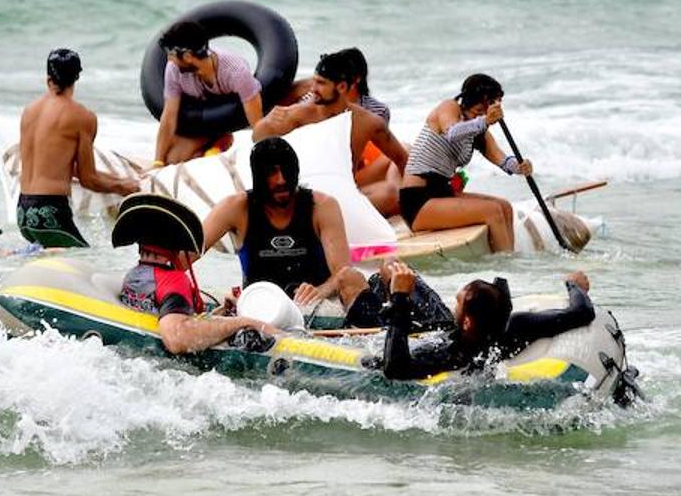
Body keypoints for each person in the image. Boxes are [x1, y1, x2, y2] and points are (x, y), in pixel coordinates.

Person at [202, 137, 378, 325]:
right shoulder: (235, 208)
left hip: (314, 306)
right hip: (262, 307)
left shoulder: (322, 206)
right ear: (258, 177)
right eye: (272, 173)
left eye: (287, 171)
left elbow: (342, 272)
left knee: (352, 277)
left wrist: (321, 290)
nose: (281, 180)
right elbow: (188, 253)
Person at [116, 194, 279, 354]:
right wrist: (242, 322)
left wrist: (222, 312)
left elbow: (172, 313)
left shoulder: (134, 276)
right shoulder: (173, 281)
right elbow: (176, 339)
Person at [379, 261, 596, 381]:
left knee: (385, 267)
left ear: (467, 322)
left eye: (458, 303)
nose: (455, 306)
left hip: (433, 328)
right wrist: (574, 285)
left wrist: (400, 299)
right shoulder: (516, 327)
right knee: (391, 267)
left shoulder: (451, 355)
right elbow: (582, 312)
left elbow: (394, 369)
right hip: (447, 328)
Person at [254, 50, 408, 215]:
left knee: (392, 195)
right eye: (313, 81)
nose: (313, 89)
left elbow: (402, 159)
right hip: (306, 197)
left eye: (321, 83)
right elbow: (257, 138)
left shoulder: (368, 122)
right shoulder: (298, 114)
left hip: (345, 194)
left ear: (341, 87)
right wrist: (266, 122)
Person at [398, 74, 532, 253]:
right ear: (480, 101)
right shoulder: (449, 107)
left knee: (505, 207)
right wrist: (484, 120)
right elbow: (452, 133)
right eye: (492, 103)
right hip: (417, 201)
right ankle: (505, 264)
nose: (495, 108)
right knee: (492, 211)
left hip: (442, 194)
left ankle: (508, 257)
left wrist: (520, 167)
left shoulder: (479, 130)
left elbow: (502, 159)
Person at [17, 48, 138, 247]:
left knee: (53, 257)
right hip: (50, 215)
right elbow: (88, 179)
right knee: (89, 259)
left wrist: (115, 179)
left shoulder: (29, 111)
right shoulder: (82, 117)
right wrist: (123, 188)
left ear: (48, 78)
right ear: (77, 77)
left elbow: (58, 167)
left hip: (23, 213)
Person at [153, 21, 263, 165]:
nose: (169, 59)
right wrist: (158, 162)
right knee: (172, 160)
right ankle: (217, 144)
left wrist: (262, 157)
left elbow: (257, 122)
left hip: (231, 116)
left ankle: (221, 140)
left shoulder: (235, 72)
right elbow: (169, 116)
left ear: (187, 56)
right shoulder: (173, 70)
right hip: (202, 120)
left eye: (171, 54)